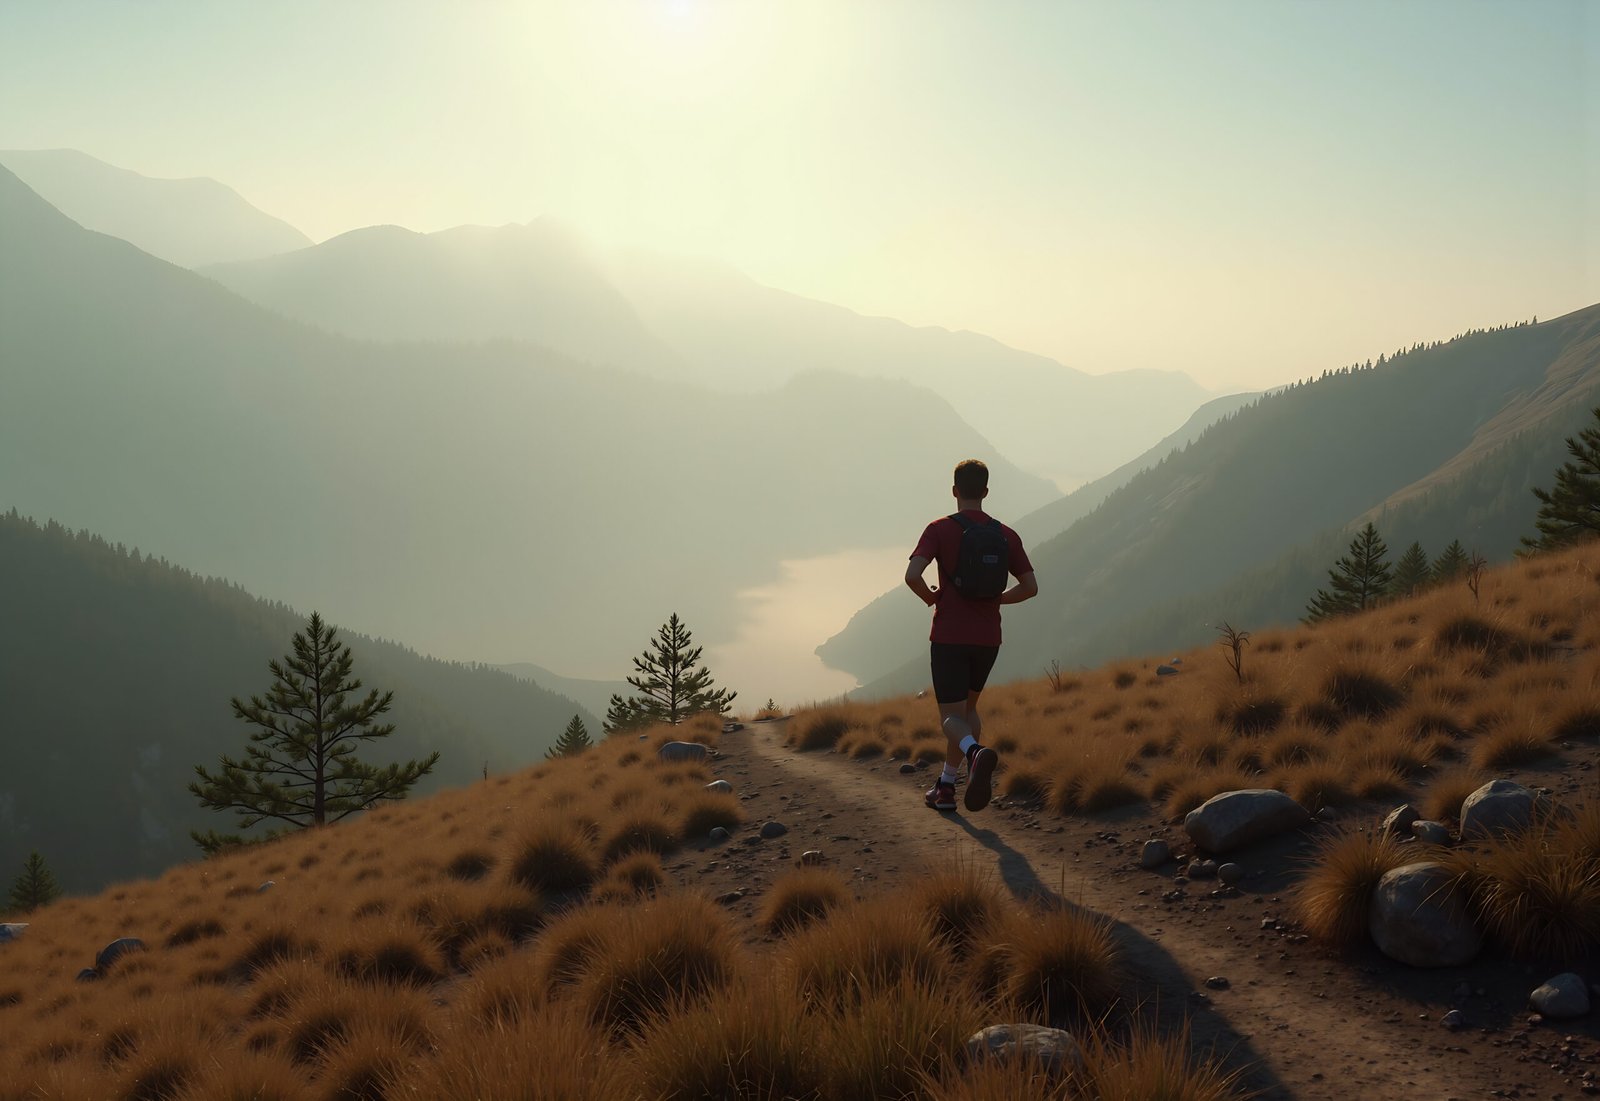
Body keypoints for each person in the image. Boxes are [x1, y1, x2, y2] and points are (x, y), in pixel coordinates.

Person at [905, 458, 1037, 812]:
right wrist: (998, 601)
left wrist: (932, 598)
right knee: (969, 711)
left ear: (954, 491)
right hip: (988, 639)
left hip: (949, 636)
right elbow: (1030, 587)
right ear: (986, 492)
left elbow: (912, 575)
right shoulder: (1005, 534)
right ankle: (946, 786)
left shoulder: (939, 529)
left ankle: (975, 754)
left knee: (950, 718)